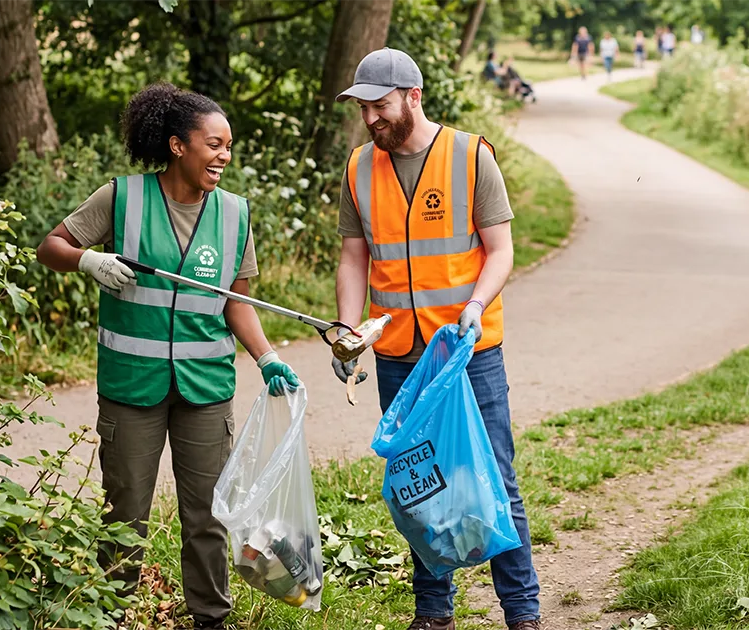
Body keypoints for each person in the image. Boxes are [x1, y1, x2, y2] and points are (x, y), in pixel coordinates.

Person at [35, 82, 301, 630]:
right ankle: (108, 614)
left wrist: (267, 356)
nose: (224, 156)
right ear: (179, 145)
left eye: (229, 146)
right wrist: (87, 261)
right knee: (124, 512)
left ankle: (210, 618)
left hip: (205, 388)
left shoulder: (235, 215)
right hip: (133, 385)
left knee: (207, 515)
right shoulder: (123, 198)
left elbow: (238, 300)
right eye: (214, 144)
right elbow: (50, 247)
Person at [331, 47, 541, 630]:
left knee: (494, 476)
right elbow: (354, 259)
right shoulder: (358, 168)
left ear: (412, 96)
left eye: (379, 104)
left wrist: (476, 305)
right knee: (419, 480)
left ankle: (523, 612)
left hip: (467, 351)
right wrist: (349, 330)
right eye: (362, 107)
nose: (370, 117)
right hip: (399, 353)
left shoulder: (471, 158)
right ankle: (433, 613)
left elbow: (500, 251)